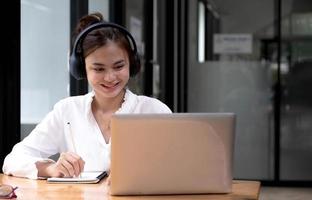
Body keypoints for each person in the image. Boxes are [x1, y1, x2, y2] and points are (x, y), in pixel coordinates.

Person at [2, 12, 171, 179]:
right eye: (99, 69)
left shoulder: (154, 111)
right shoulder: (67, 111)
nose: (110, 77)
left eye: (119, 66)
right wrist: (52, 168)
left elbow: (178, 168)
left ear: (132, 64)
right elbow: (13, 160)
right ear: (82, 69)